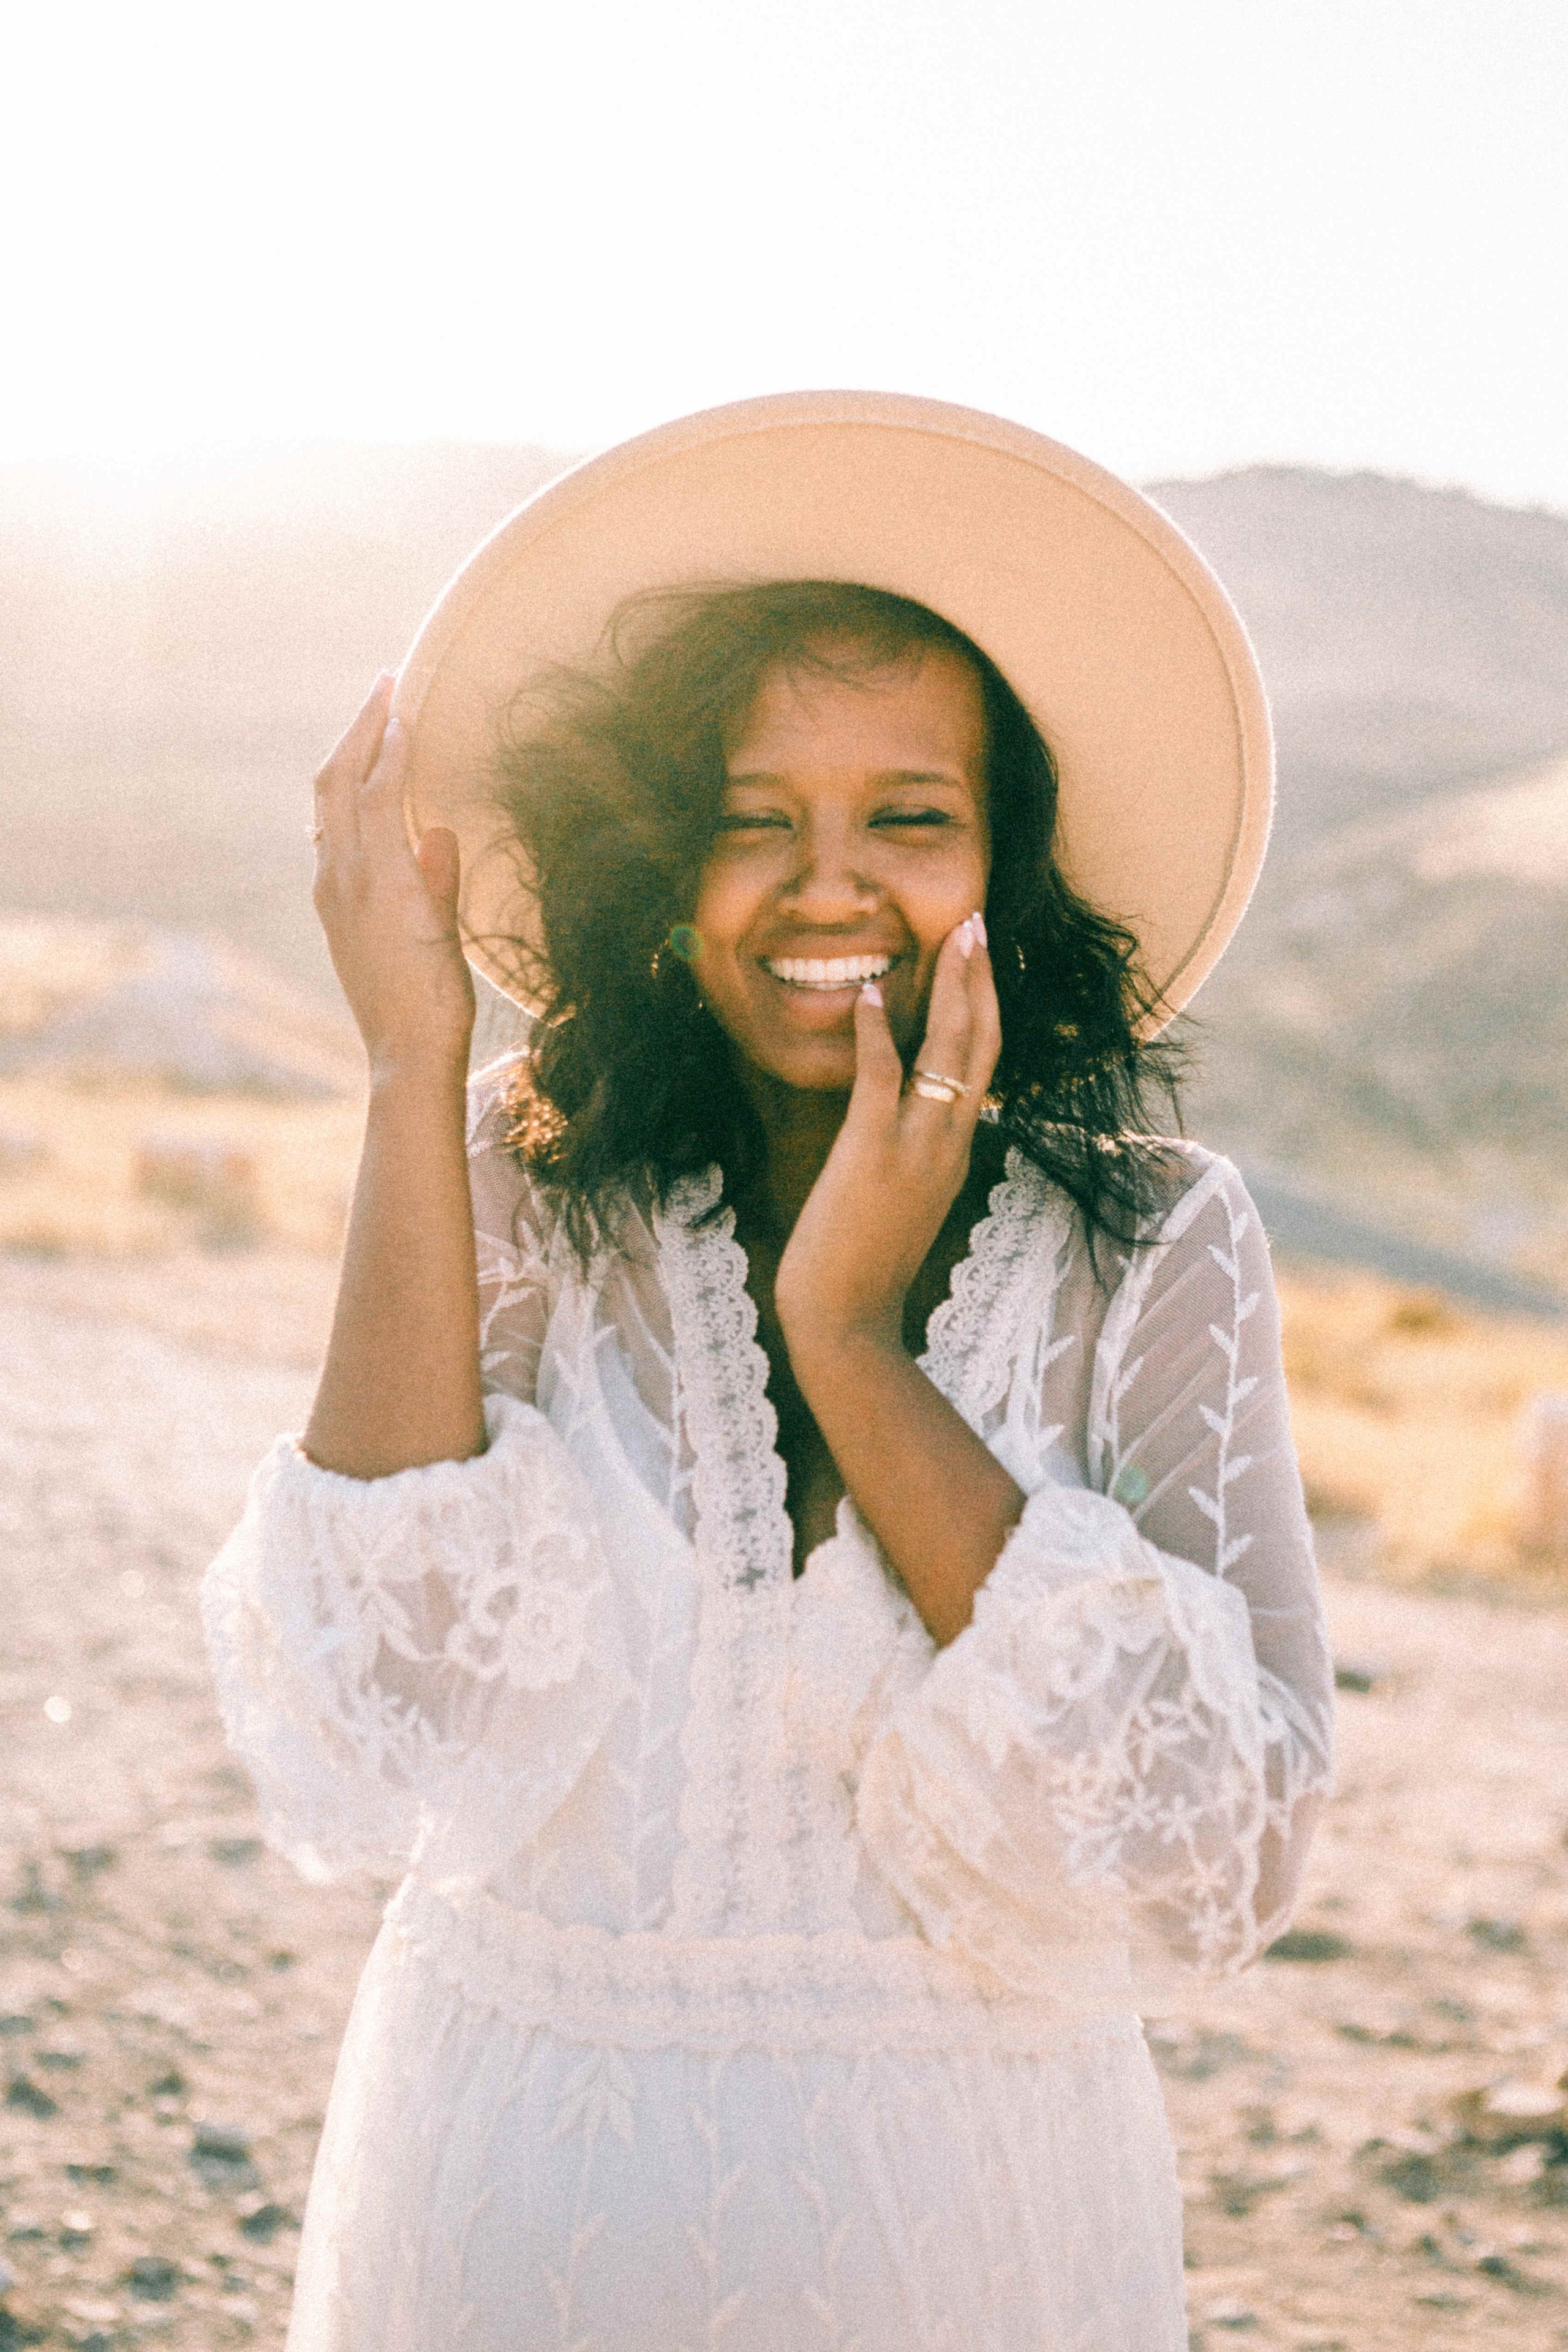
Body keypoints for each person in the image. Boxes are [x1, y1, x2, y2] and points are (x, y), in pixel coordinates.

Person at [203, 394, 1334, 2351]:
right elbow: (385, 1724)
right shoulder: (516, 1185)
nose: (829, 885)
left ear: (1011, 862)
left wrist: (852, 1343)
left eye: (910, 816)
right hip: (510, 2225)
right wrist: (408, 1059)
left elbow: (1209, 1858)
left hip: (975, 2250)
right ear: (659, 867)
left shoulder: (1162, 1244)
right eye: (750, 820)